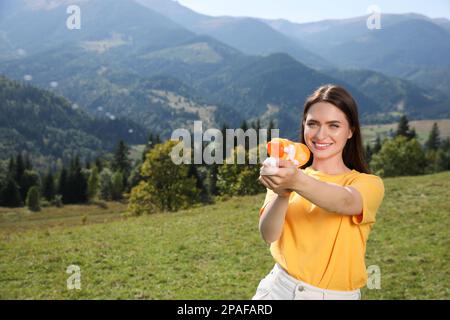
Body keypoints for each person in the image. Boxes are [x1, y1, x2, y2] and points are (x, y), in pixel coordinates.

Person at [253, 84, 385, 300]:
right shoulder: (287, 175)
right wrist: (282, 193)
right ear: (304, 126)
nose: (321, 134)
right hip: (278, 290)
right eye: (313, 124)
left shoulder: (368, 183)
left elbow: (344, 202)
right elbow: (269, 235)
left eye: (334, 125)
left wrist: (295, 180)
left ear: (350, 131)